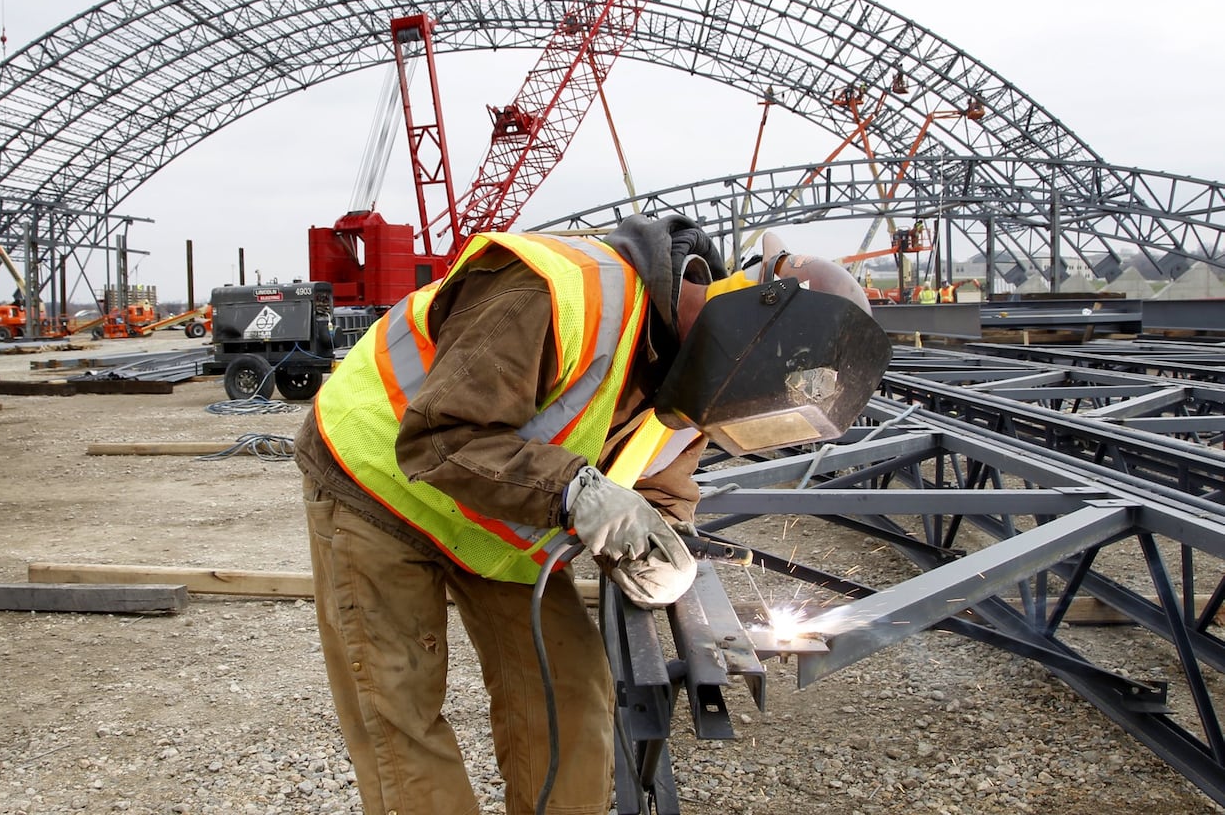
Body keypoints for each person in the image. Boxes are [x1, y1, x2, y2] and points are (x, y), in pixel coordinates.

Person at [294, 214, 889, 815]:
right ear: (744, 326)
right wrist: (575, 494)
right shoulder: (557, 289)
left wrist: (661, 539)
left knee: (571, 695)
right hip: (378, 488)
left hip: (501, 521)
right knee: (399, 705)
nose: (711, 426)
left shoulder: (698, 383)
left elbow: (663, 480)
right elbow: (440, 438)